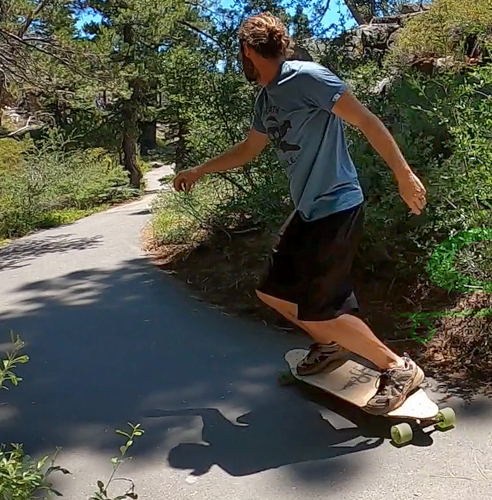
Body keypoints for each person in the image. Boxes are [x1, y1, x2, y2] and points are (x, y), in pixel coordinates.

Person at [172, 12, 428, 415]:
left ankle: (397, 367)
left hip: (338, 205)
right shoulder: (266, 99)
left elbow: (366, 120)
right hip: (308, 210)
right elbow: (248, 149)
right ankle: (329, 345)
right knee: (271, 291)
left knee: (323, 309)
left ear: (247, 50)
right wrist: (200, 170)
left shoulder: (308, 77)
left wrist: (404, 174)